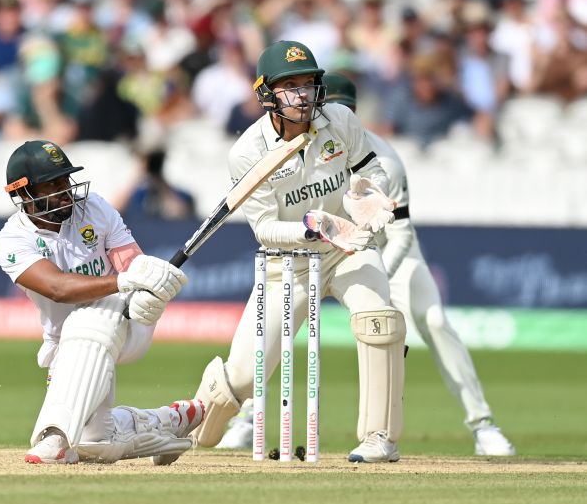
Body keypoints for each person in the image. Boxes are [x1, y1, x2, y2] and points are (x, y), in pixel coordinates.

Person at [217, 73, 516, 457]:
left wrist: (376, 286)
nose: (315, 108)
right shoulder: (257, 148)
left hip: (387, 249)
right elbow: (269, 226)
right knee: (259, 349)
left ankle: (481, 424)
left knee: (421, 321)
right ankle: (242, 418)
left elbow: (401, 232)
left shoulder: (383, 157)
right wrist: (323, 233)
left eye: (329, 103)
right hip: (311, 247)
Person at [184, 40, 407, 463]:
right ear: (266, 92)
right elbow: (266, 229)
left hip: (350, 249)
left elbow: (370, 167)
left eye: (308, 83)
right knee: (245, 377)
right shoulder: (248, 152)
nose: (303, 94)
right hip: (286, 264)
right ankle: (194, 423)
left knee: (380, 321)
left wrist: (370, 193)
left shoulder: (339, 119)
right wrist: (315, 228)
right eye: (291, 86)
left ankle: (381, 438)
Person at [0, 140, 204, 465]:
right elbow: (57, 288)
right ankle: (169, 422)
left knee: (91, 314)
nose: (65, 190)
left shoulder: (93, 207)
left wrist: (147, 291)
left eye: (66, 180)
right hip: (65, 343)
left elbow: (131, 262)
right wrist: (124, 281)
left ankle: (56, 438)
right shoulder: (12, 240)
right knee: (98, 441)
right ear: (24, 194)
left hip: (122, 319)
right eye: (53, 184)